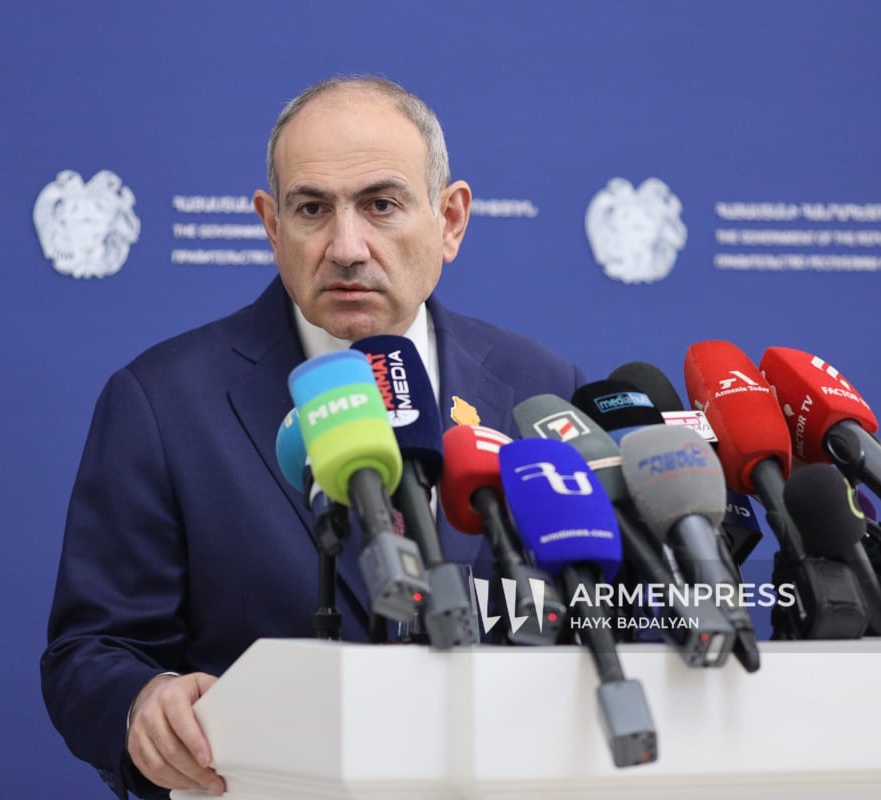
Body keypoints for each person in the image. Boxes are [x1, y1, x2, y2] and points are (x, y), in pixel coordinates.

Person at [40, 75, 586, 799]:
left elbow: (597, 613)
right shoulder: (164, 402)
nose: (346, 246)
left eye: (381, 205)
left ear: (450, 220)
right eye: (311, 209)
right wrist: (145, 702)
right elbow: (91, 653)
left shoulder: (539, 391)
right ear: (272, 225)